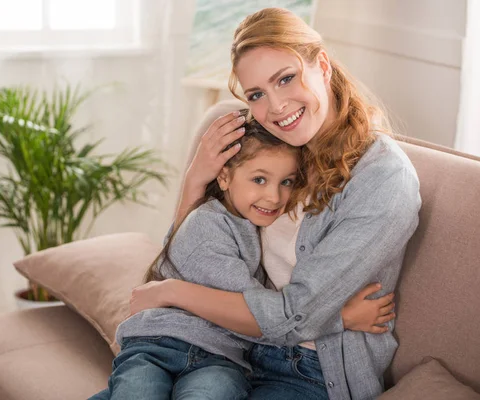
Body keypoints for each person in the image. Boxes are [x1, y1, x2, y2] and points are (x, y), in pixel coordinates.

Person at [128, 7, 421, 400]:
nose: (277, 106)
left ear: (322, 65)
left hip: (310, 372)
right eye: (257, 95)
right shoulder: (272, 145)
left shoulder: (383, 179)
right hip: (232, 353)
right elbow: (191, 256)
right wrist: (196, 180)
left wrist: (171, 292)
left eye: (285, 78)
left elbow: (293, 317)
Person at [90, 116, 395, 400]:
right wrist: (340, 318)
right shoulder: (207, 227)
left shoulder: (251, 226)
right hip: (158, 345)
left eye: (286, 182)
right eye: (259, 180)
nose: (274, 197)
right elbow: (257, 317)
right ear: (224, 178)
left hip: (220, 360)